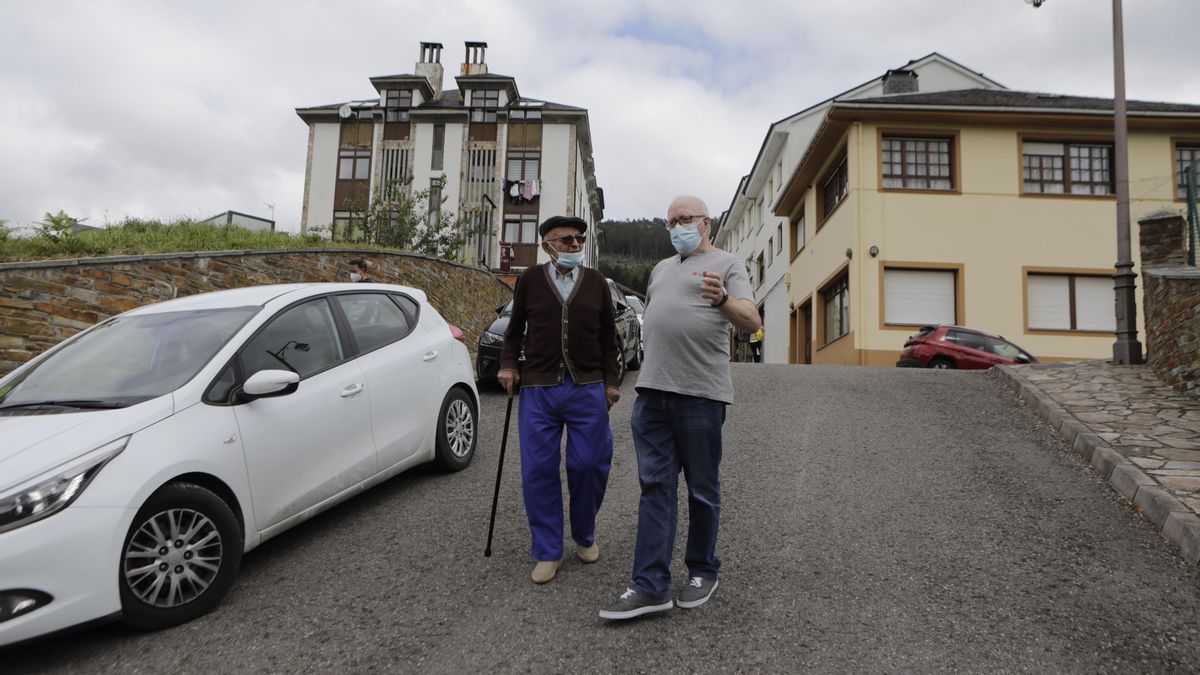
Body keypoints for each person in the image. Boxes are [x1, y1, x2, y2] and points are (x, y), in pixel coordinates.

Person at [600, 195, 760, 620]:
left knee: (702, 489)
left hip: (701, 394)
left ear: (705, 223)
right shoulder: (659, 269)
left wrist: (723, 299)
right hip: (652, 392)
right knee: (655, 487)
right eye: (670, 222)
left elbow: (751, 318)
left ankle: (703, 570)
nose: (676, 227)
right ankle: (650, 585)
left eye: (684, 219)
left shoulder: (728, 264)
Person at [498, 215, 623, 584]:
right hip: (539, 388)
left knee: (589, 464)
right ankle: (549, 550)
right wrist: (508, 365)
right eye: (566, 239)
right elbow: (513, 331)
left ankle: (584, 534)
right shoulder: (530, 281)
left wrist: (611, 383)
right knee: (538, 469)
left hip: (587, 387)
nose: (574, 245)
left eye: (579, 239)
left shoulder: (596, 282)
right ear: (547, 245)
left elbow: (609, 338)